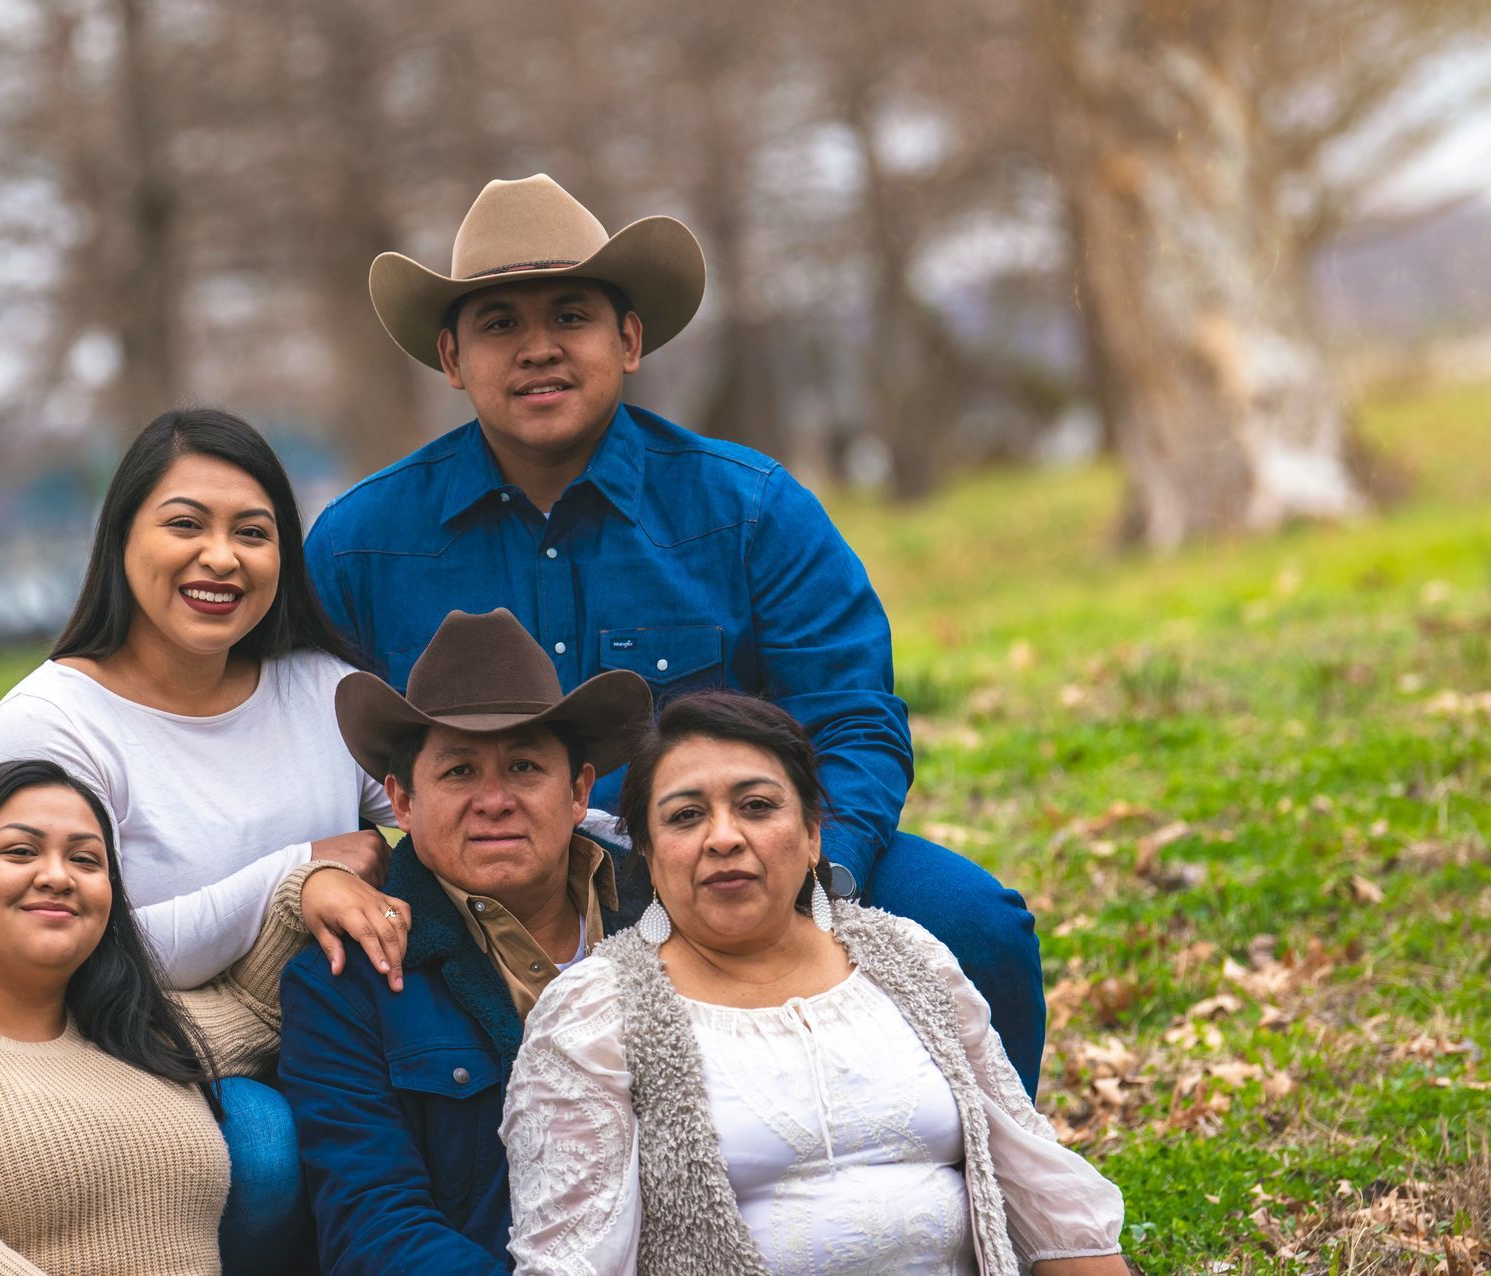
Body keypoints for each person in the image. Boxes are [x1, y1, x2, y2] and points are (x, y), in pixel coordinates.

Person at [303, 172, 1049, 1095]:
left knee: (976, 925)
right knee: (330, 990)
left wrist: (817, 881)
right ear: (451, 358)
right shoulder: (359, 544)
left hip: (723, 861)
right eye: (500, 324)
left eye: (570, 316)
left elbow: (853, 721)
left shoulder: (751, 510)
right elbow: (309, 753)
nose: (538, 349)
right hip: (481, 884)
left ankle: (985, 1191)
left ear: (629, 339)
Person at [0, 407, 409, 1270]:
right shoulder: (54, 725)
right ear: (121, 535)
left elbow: (435, 823)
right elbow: (76, 948)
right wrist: (298, 873)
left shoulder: (325, 692)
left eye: (254, 532)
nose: (221, 557)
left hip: (333, 1034)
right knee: (258, 1145)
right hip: (119, 1049)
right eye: (185, 525)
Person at [500, 691, 1126, 1275]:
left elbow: (1047, 1194)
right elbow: (571, 1257)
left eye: (757, 806)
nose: (724, 838)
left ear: (810, 835)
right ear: (650, 857)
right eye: (686, 817)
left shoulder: (908, 959)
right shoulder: (595, 1013)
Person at [0, 758, 357, 1274]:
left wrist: (306, 886)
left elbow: (255, 1009)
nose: (58, 876)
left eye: (86, 859)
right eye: (21, 852)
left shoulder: (131, 1029)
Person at [276, 608, 655, 1275]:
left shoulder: (669, 913)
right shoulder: (345, 982)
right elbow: (375, 1227)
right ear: (402, 802)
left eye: (524, 766)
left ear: (578, 792)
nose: (494, 799)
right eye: (458, 772)